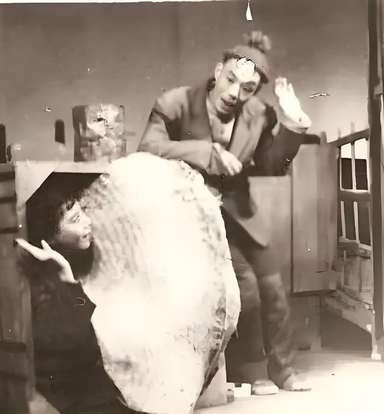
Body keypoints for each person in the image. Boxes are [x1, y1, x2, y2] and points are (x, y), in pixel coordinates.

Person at [137, 30, 313, 395]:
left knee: (274, 286)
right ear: (218, 71)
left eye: (247, 88)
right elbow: (148, 147)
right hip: (188, 216)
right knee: (246, 287)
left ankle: (283, 368)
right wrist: (205, 152)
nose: (234, 93)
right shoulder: (176, 103)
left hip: (238, 214)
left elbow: (270, 165)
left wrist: (293, 125)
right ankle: (252, 369)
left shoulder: (258, 115)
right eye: (231, 79)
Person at [15, 187, 137, 414]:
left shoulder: (83, 258)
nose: (88, 221)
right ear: (49, 237)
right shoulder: (40, 286)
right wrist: (67, 278)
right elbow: (78, 347)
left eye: (83, 212)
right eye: (76, 219)